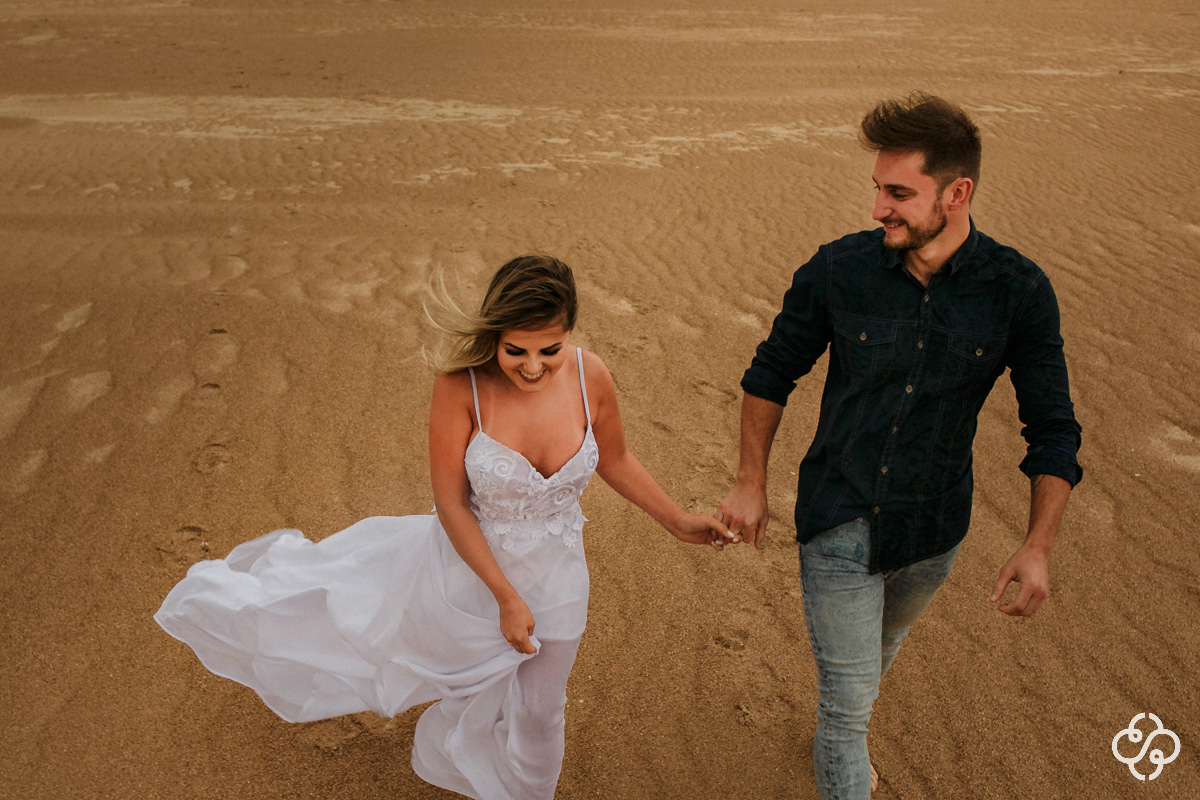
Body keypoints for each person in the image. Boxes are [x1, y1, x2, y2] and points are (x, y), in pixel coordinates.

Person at [155, 254, 733, 800]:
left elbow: (614, 459)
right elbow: (452, 503)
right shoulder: (461, 386)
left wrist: (678, 521)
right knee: (445, 675)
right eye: (516, 351)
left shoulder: (591, 376)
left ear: (570, 334)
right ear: (493, 336)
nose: (533, 367)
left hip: (560, 574)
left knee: (540, 709)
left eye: (549, 350)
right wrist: (504, 596)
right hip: (469, 575)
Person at [716, 93, 1082, 799]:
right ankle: (840, 740)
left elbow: (1054, 428)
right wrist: (749, 480)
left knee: (875, 656)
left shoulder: (1017, 291)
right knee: (848, 709)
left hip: (934, 528)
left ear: (957, 192)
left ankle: (835, 727)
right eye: (878, 190)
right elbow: (771, 372)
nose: (879, 208)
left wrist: (1037, 544)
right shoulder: (837, 270)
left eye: (898, 193)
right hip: (838, 517)